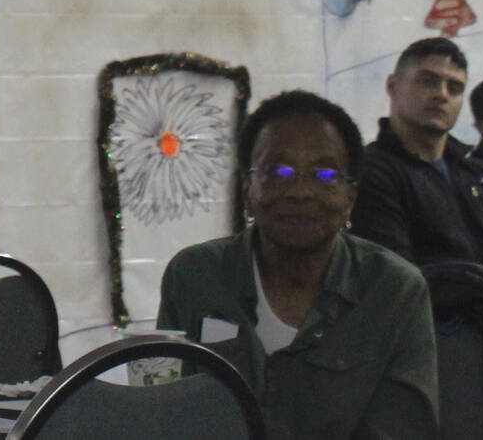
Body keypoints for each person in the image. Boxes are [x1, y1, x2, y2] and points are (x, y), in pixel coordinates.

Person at [157, 89, 437, 439]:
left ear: (350, 198)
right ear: (247, 190)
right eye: (279, 170)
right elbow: (165, 413)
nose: (300, 192)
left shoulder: (394, 291)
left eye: (324, 176)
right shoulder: (196, 276)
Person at [354, 36, 483, 266]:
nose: (442, 95)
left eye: (454, 88)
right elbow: (397, 281)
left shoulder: (474, 169)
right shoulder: (369, 172)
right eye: (428, 81)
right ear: (392, 86)